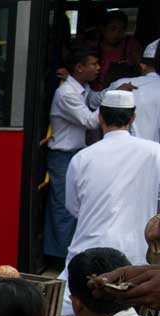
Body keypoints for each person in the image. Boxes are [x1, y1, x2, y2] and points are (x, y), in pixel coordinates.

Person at [56, 89, 160, 316]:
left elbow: (72, 207)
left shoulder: (82, 157)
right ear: (133, 118)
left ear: (100, 118)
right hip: (137, 257)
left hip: (88, 254)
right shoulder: (155, 152)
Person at [43, 46, 102, 261]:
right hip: (63, 156)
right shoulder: (66, 93)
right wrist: (114, 102)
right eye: (93, 64)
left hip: (76, 154)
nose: (98, 68)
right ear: (79, 67)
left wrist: (114, 88)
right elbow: (90, 120)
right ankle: (59, 256)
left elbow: (95, 99)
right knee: (64, 207)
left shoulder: (81, 87)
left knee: (76, 205)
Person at [88, 39, 160, 143]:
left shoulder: (122, 84)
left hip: (119, 152)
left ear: (142, 66)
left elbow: (92, 100)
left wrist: (76, 81)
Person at [85, 9, 143, 91]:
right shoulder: (92, 46)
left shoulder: (130, 45)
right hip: (95, 95)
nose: (117, 33)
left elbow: (143, 67)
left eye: (121, 30)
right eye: (113, 29)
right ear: (103, 29)